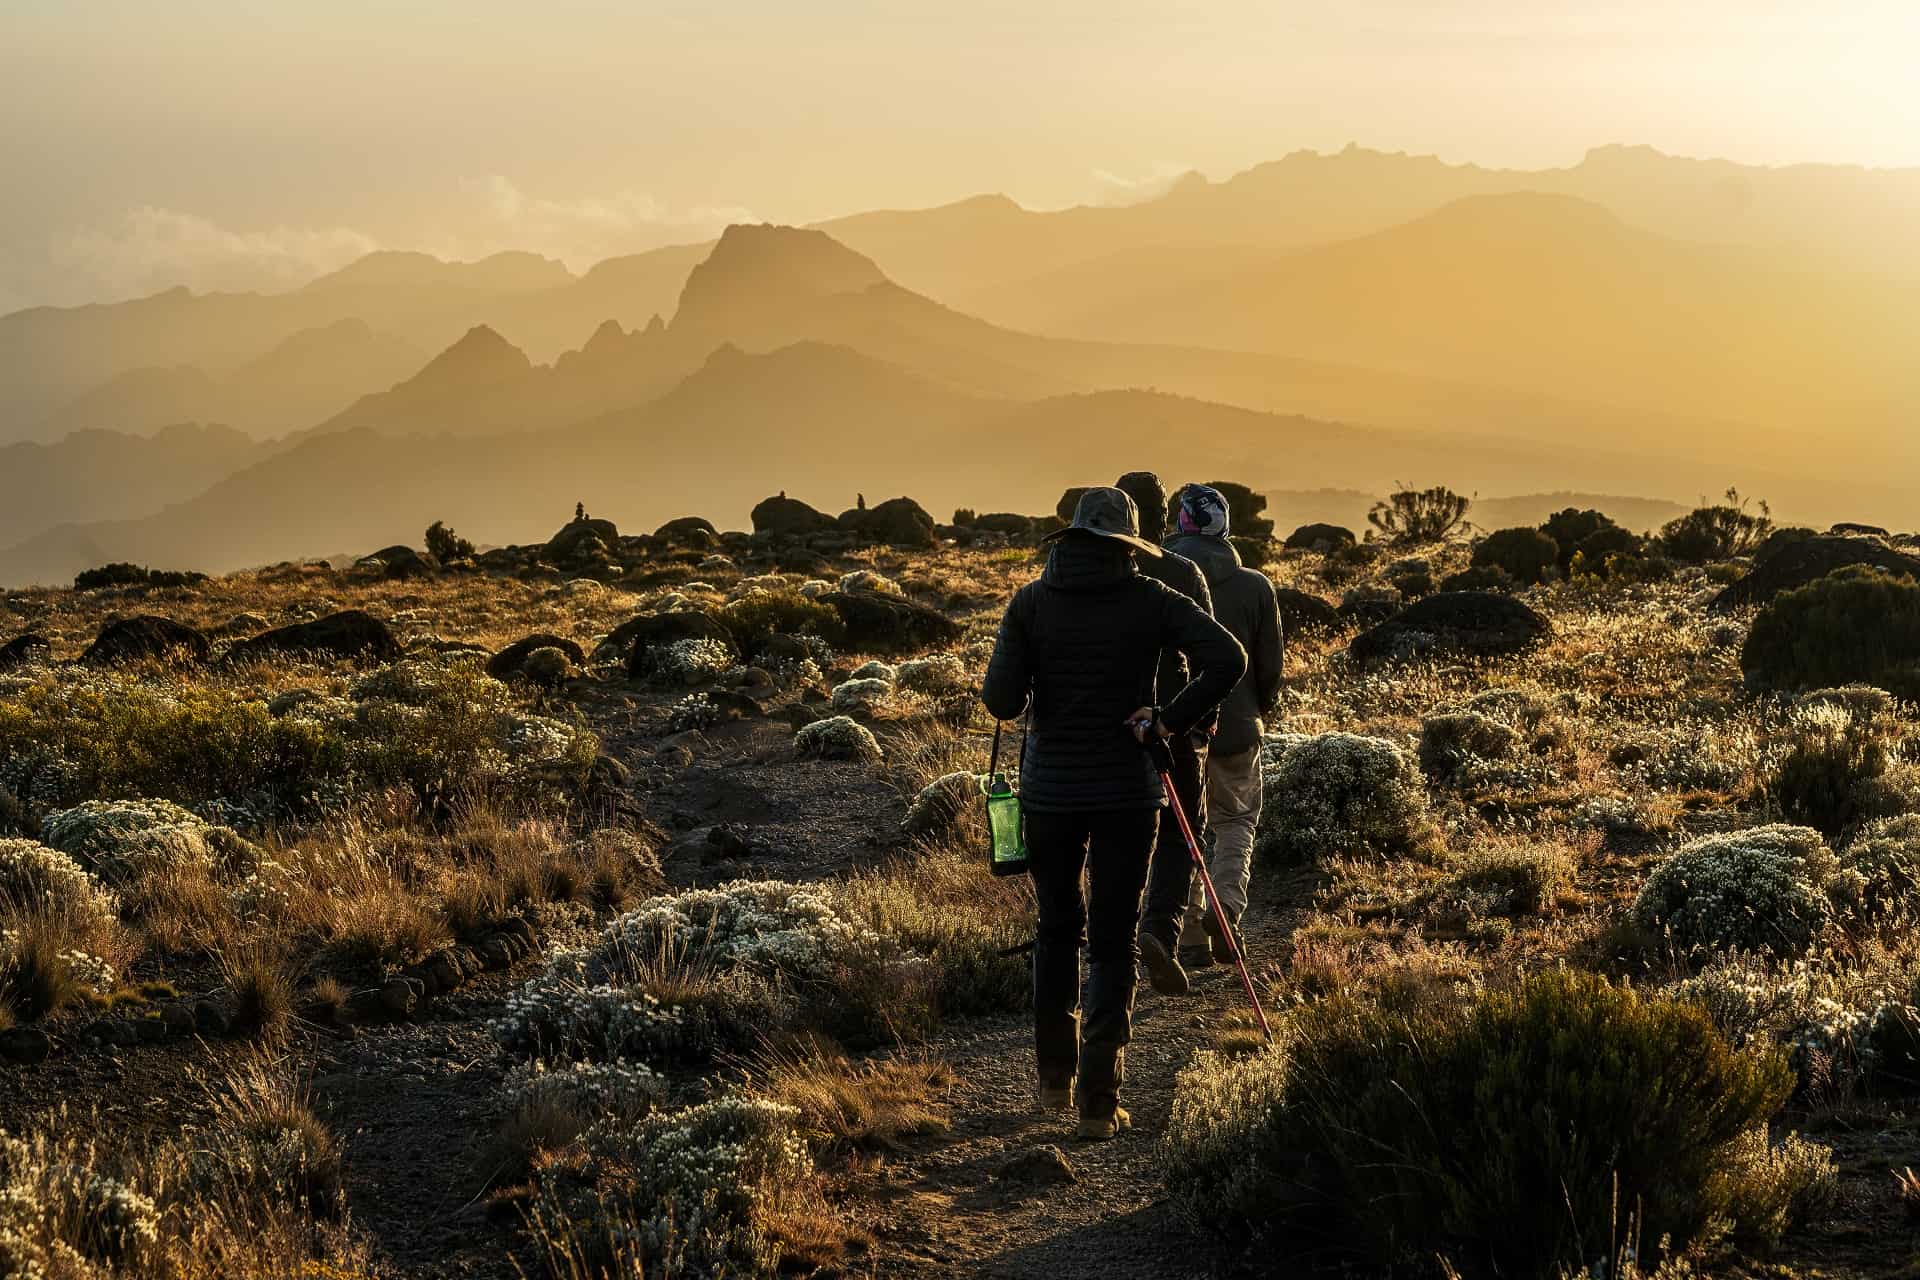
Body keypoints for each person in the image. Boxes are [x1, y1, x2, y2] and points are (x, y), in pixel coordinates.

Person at [981, 487, 1244, 1141]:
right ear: (1129, 545)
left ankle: (1051, 1079)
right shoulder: (1152, 600)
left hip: (1048, 794)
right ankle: (1100, 1103)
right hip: (1129, 792)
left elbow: (1002, 702)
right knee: (1113, 940)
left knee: (1056, 930)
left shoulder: (1030, 603)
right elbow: (1228, 659)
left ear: (1069, 539)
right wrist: (1168, 718)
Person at [1163, 484, 1284, 969]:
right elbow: (1270, 662)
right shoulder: (1255, 585)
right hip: (1237, 727)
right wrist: (1259, 705)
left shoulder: (1159, 576)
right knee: (1234, 821)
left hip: (1176, 725)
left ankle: (1191, 932)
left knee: (1183, 826)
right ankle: (1226, 910)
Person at [1113, 471, 1215, 1000]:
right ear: (1162, 517)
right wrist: (1197, 723)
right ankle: (1159, 932)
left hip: (1108, 726)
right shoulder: (1183, 573)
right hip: (1171, 722)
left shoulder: (1096, 572)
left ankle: (1115, 944)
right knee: (1182, 831)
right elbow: (1212, 656)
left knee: (1115, 834)